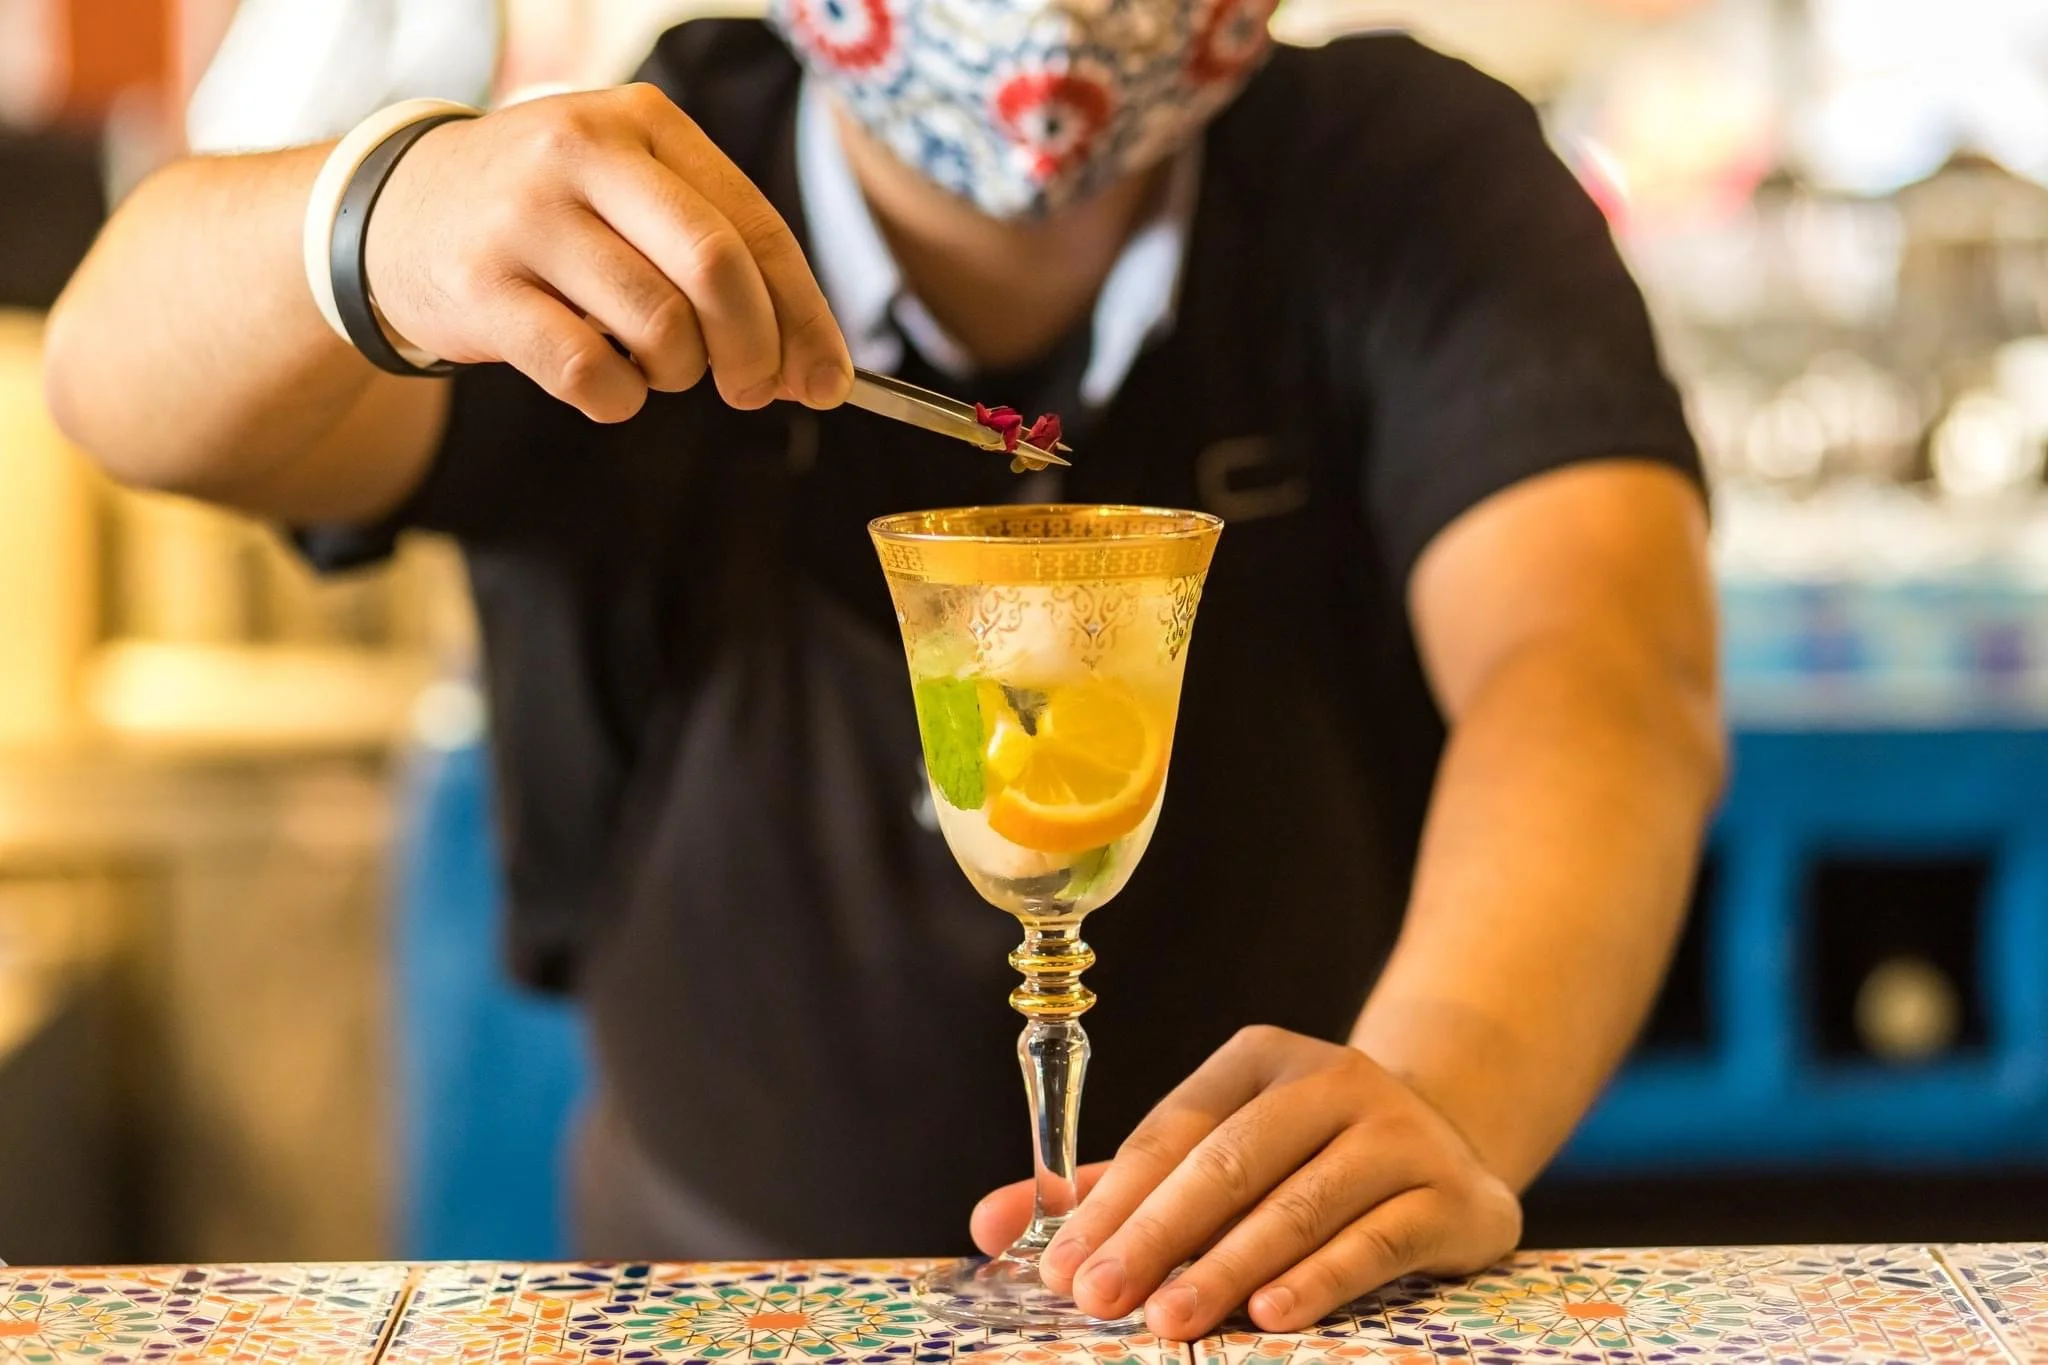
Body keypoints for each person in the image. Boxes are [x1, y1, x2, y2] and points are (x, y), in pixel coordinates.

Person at [44, 0, 1724, 1340]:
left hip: (1286, 1305)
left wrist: (1440, 1092)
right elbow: (118, 388)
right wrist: (378, 216)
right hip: (704, 1299)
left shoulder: (1407, 181)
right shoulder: (625, 203)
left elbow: (1595, 661)